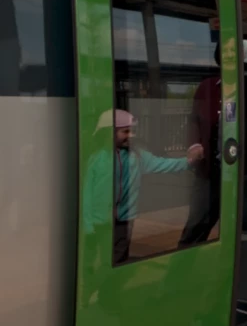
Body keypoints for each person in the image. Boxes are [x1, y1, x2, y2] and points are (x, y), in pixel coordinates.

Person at [83, 110, 204, 263]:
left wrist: (188, 161)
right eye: (125, 131)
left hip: (125, 218)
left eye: (133, 131)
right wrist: (88, 224)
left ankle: (111, 283)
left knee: (118, 255)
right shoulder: (96, 159)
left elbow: (163, 164)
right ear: (109, 133)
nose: (131, 135)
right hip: (99, 220)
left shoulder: (138, 156)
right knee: (93, 256)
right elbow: (87, 194)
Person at [179, 44, 222, 246]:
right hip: (207, 171)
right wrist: (194, 146)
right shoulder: (207, 87)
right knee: (197, 223)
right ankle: (182, 266)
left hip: (241, 175)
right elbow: (194, 120)